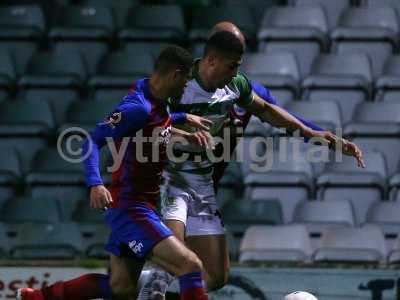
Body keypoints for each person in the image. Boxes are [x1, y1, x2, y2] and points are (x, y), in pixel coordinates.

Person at [137, 29, 365, 299]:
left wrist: (314, 134)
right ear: (211, 60)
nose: (236, 72)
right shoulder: (178, 83)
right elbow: (144, 128)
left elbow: (267, 110)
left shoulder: (235, 86)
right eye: (232, 66)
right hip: (166, 176)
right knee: (176, 253)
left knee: (217, 275)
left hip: (200, 182)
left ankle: (151, 281)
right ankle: (150, 286)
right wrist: (182, 135)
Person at [17, 45, 214, 300]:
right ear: (176, 75)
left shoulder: (155, 97)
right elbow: (91, 141)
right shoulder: (137, 107)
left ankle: (39, 298)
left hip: (141, 204)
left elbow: (156, 124)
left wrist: (181, 119)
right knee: (190, 265)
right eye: (186, 81)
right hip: (131, 208)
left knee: (121, 287)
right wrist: (95, 183)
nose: (186, 87)